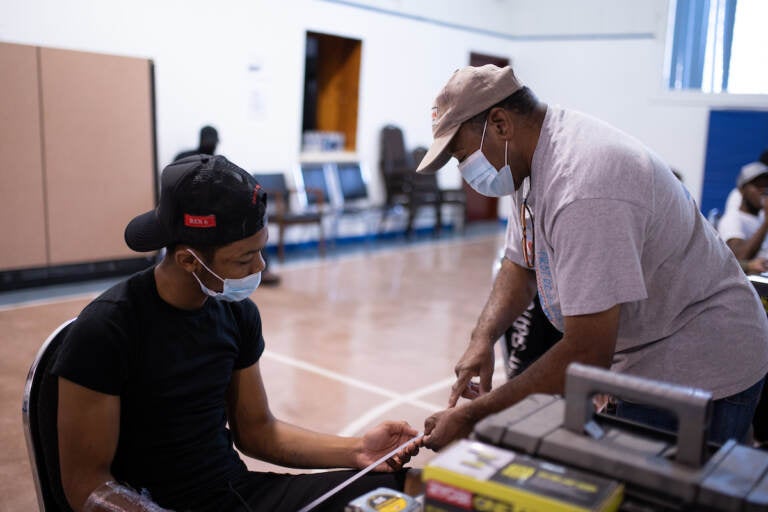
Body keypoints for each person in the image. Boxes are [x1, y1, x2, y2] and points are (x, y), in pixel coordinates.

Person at [415, 64, 768, 451]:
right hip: (644, 355)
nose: (464, 169)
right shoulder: (527, 158)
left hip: (700, 366)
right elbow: (520, 262)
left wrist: (473, 415)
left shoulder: (583, 183)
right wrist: (481, 338)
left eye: (461, 154)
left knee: (660, 493)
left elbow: (588, 350)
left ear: (499, 124)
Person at [53, 154, 421, 512]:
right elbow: (87, 486)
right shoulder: (106, 329)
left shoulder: (236, 313)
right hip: (153, 503)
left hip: (236, 495)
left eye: (260, 251)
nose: (260, 266)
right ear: (188, 260)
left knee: (407, 490)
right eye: (245, 258)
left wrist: (359, 451)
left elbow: (258, 432)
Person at [173, 125, 281, 286]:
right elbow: (177, 188)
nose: (211, 144)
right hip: (193, 212)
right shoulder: (185, 158)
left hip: (218, 210)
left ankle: (259, 269)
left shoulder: (219, 162)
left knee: (252, 219)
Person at [718, 161, 768, 274]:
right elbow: (739, 258)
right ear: (742, 190)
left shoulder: (761, 217)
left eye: (766, 186)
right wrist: (766, 223)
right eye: (758, 186)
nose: (764, 191)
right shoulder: (732, 219)